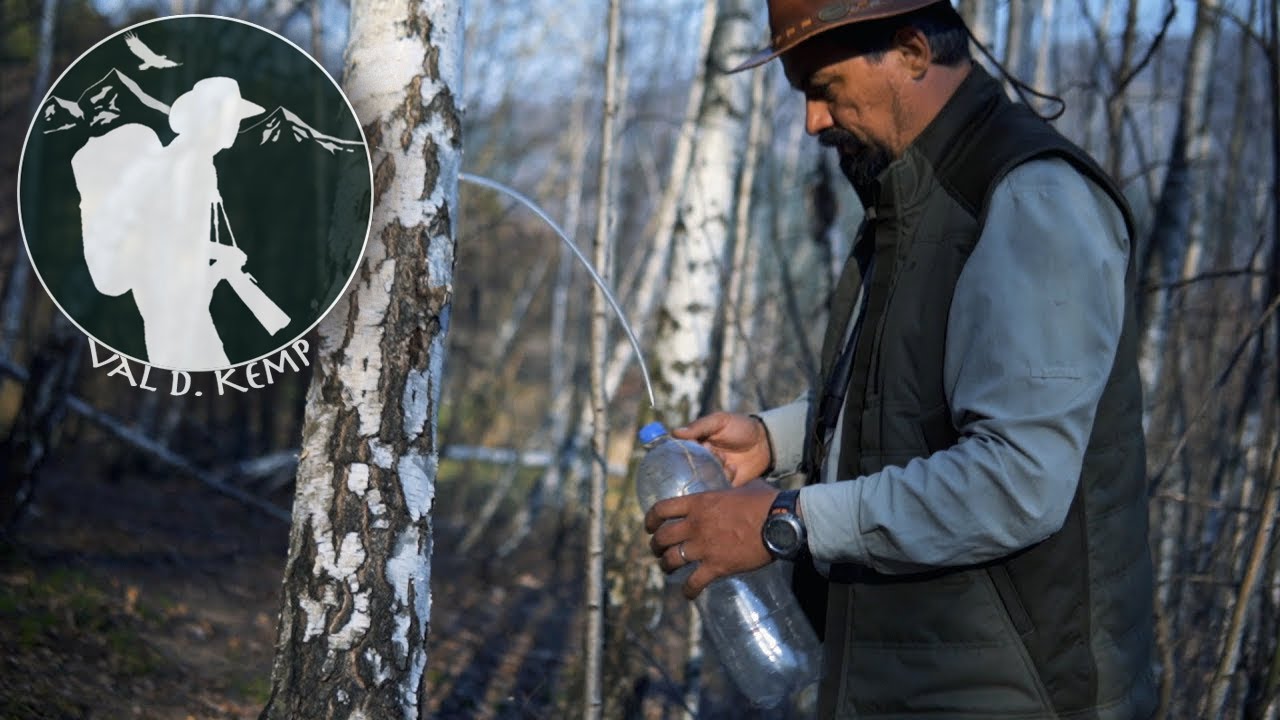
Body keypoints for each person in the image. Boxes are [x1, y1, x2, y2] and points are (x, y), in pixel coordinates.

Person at [642, 1, 1158, 718]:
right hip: (904, 683)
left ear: (913, 52)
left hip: (1012, 695)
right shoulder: (911, 196)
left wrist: (784, 520)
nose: (812, 121)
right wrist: (775, 439)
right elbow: (910, 397)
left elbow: (1016, 480)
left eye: (825, 89)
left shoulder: (1030, 197)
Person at [75, 77, 265, 370]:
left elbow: (177, 236)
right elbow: (172, 244)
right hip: (172, 310)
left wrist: (216, 254)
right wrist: (213, 263)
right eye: (232, 117)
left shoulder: (193, 162)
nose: (235, 126)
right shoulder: (186, 165)